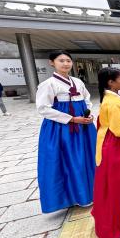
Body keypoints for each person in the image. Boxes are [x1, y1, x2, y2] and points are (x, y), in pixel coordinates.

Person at [35, 50, 96, 213]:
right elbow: (43, 108)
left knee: (88, 158)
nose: (66, 63)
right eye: (61, 60)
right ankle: (75, 196)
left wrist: (88, 114)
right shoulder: (48, 84)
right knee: (70, 161)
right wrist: (71, 119)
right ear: (52, 63)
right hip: (62, 129)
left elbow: (87, 100)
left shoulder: (78, 82)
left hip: (83, 126)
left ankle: (92, 192)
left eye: (68, 60)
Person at [92, 67, 120, 238]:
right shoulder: (113, 102)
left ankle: (115, 220)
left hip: (111, 143)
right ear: (111, 82)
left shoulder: (111, 98)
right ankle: (118, 223)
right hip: (118, 145)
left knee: (112, 183)